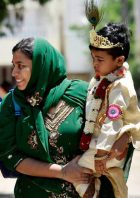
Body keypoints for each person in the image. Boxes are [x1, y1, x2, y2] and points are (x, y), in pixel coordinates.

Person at [0, 37, 132, 198]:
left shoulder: (82, 92)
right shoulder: (12, 103)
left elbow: (119, 118)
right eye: (13, 65)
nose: (14, 73)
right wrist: (63, 172)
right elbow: (11, 156)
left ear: (41, 66)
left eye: (21, 66)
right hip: (32, 192)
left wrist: (123, 137)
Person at [74, 20, 140, 198]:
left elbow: (113, 120)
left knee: (74, 168)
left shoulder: (120, 85)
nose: (94, 63)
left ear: (119, 60)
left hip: (109, 147)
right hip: (98, 143)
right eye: (93, 58)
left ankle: (88, 191)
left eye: (100, 59)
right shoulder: (102, 78)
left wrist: (102, 154)